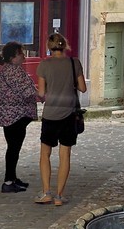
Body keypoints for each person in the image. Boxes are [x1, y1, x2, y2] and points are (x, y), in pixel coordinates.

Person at [34, 31, 86, 206]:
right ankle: (59, 195)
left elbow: (41, 93)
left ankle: (46, 192)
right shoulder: (74, 63)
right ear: (65, 45)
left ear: (49, 47)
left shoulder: (44, 65)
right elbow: (83, 88)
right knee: (65, 155)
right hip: (69, 114)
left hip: (50, 114)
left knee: (45, 154)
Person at [0, 41, 35, 193]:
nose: (23, 56)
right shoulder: (13, 71)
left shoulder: (9, 69)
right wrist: (43, 94)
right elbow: (26, 91)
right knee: (13, 148)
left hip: (10, 114)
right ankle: (9, 181)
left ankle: (13, 178)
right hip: (14, 116)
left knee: (13, 147)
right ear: (12, 57)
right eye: (20, 53)